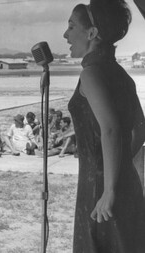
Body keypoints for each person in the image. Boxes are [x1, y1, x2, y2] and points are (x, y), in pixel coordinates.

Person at [64, 1, 145, 251]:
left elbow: (110, 129)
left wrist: (108, 188)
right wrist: (119, 167)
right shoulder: (120, 74)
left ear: (92, 33)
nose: (66, 35)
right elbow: (140, 128)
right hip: (124, 184)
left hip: (99, 188)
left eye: (71, 26)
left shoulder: (92, 73)